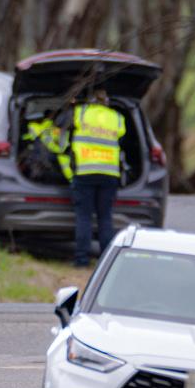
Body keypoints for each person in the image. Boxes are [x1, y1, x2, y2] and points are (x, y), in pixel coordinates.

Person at [69, 89, 126, 267]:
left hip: (85, 172)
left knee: (84, 217)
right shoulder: (117, 118)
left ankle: (81, 260)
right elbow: (122, 135)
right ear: (107, 102)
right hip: (109, 174)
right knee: (105, 218)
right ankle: (105, 262)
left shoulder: (82, 112)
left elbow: (67, 127)